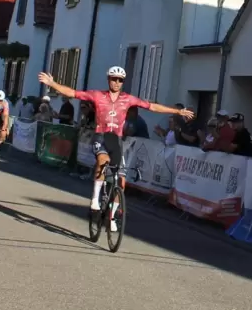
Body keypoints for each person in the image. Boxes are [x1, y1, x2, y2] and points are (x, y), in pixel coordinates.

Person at [38, 66, 194, 223]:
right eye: (114, 79)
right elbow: (73, 93)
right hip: (100, 136)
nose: (117, 82)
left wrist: (177, 112)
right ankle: (94, 200)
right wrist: (52, 84)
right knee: (102, 161)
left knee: (121, 179)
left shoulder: (128, 99)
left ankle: (113, 214)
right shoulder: (97, 95)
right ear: (109, 80)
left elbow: (151, 106)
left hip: (116, 140)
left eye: (120, 80)